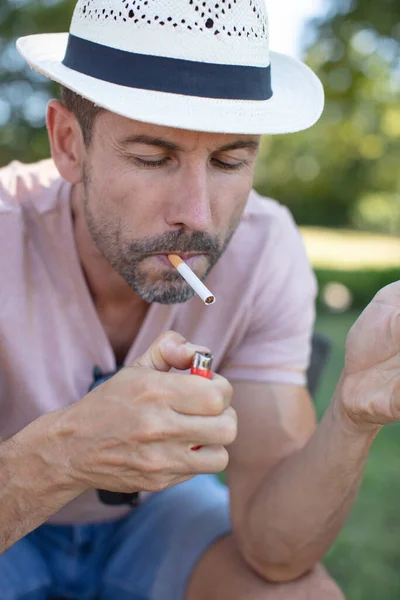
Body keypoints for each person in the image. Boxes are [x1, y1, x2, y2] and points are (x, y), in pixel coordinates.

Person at [1, 1, 398, 599]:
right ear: (68, 143)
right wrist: (62, 457)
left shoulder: (265, 250)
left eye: (229, 160)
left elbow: (275, 554)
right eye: (152, 158)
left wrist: (350, 417)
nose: (198, 214)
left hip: (156, 521)